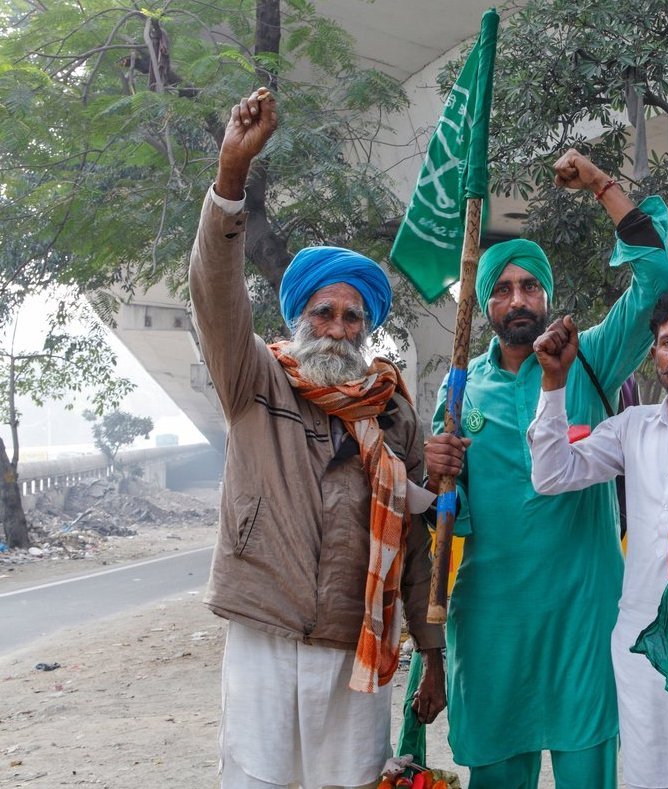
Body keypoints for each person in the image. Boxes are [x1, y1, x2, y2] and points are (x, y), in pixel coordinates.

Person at [190, 88, 445, 789]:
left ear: (369, 328)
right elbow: (215, 297)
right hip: (265, 629)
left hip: (355, 643)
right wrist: (230, 182)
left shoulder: (392, 411)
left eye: (352, 317)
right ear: (300, 316)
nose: (338, 328)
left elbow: (418, 538)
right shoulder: (255, 380)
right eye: (324, 312)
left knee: (353, 782)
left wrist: (431, 650)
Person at [423, 150, 668, 787]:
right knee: (494, 768)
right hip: (490, 613)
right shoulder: (460, 388)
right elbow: (444, 508)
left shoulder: (588, 355)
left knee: (587, 764)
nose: (518, 300)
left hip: (581, 608)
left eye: (530, 286)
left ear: (548, 294)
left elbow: (659, 280)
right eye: (503, 289)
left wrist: (600, 185)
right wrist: (435, 467)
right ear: (485, 304)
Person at [527, 285, 668, 789]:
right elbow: (551, 475)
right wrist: (553, 383)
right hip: (641, 642)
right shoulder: (633, 428)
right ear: (654, 356)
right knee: (649, 771)